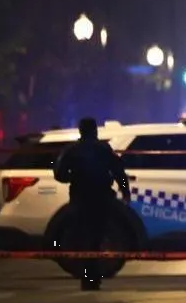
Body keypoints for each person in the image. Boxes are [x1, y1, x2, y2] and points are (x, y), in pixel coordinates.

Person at [52, 117, 131, 291]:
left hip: (80, 198)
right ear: (95, 130)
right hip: (101, 197)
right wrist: (125, 191)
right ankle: (93, 276)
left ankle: (87, 277)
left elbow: (59, 173)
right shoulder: (103, 149)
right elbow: (118, 170)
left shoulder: (72, 150)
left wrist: (74, 177)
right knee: (97, 236)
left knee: (82, 237)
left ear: (80, 130)